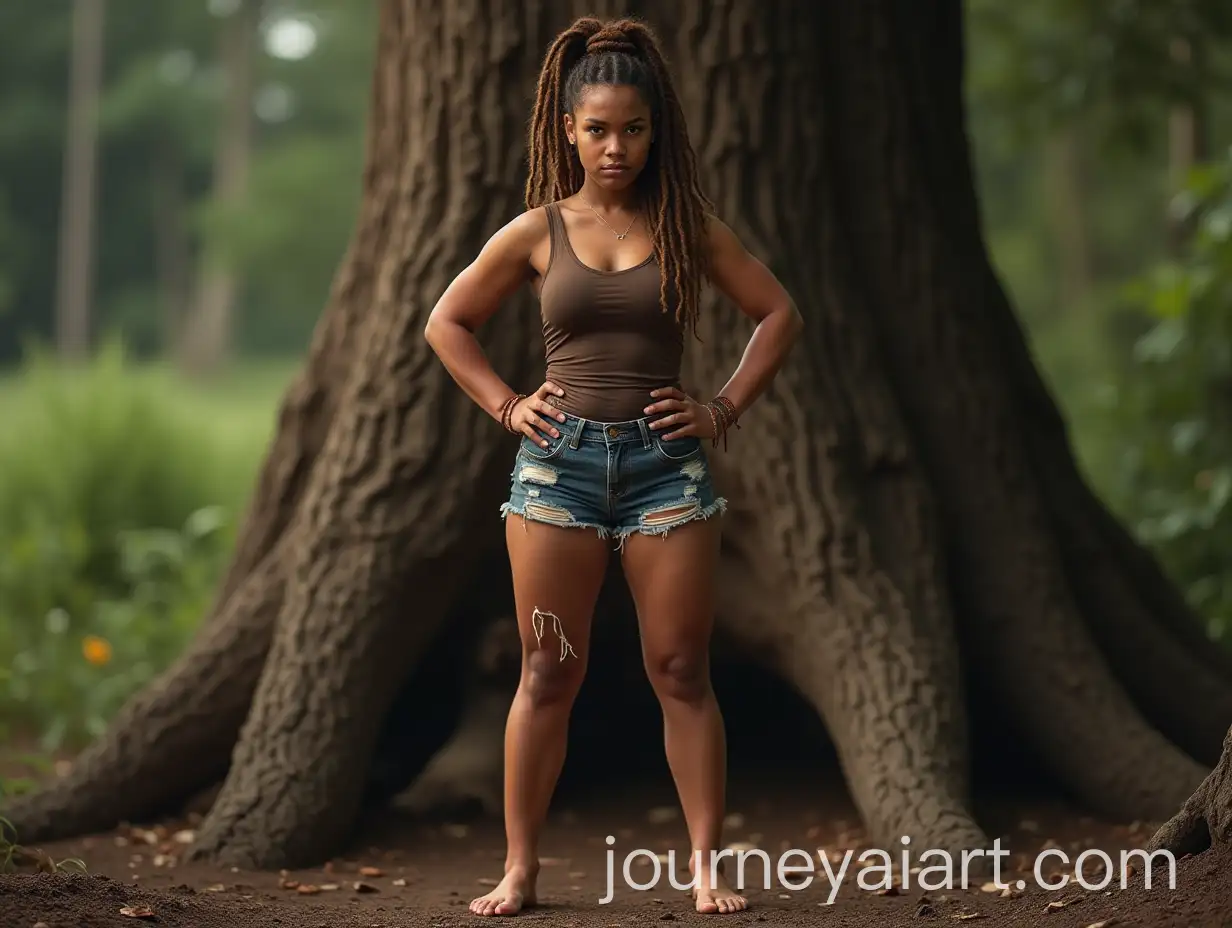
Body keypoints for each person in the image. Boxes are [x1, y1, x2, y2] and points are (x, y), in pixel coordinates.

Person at [423, 14, 802, 917]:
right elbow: (445, 323)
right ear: (568, 130)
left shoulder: (687, 226)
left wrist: (721, 409)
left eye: (633, 129)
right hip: (556, 475)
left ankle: (707, 865)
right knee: (548, 672)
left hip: (666, 473)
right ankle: (519, 870)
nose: (616, 147)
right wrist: (508, 405)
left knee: (679, 670)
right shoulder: (536, 229)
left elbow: (777, 313)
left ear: (654, 128)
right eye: (597, 129)